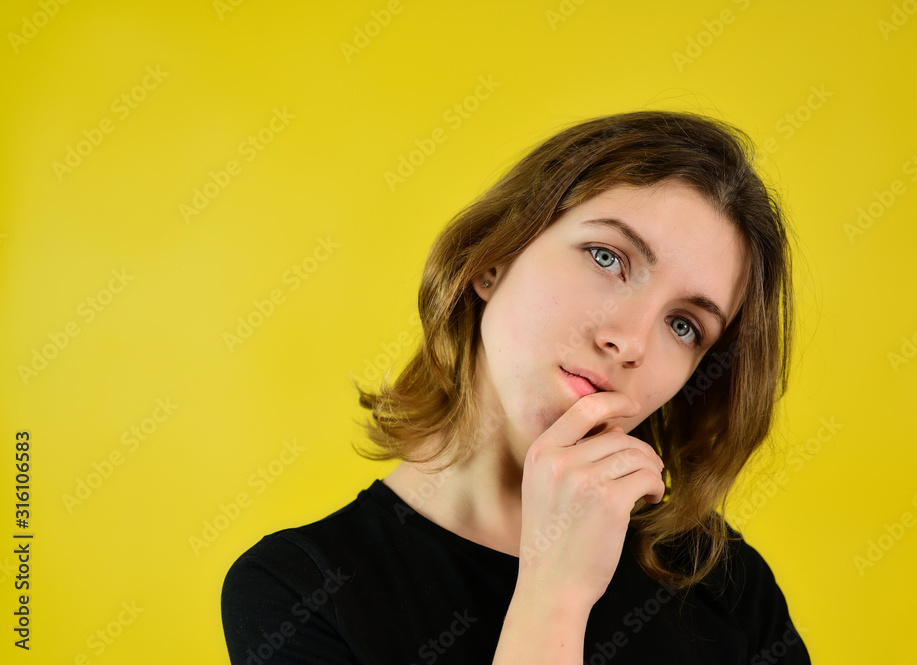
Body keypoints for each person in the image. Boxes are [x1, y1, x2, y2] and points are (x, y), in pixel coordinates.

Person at [221, 110, 810, 664]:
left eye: (684, 325)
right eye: (607, 257)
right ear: (491, 259)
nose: (630, 341)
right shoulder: (299, 592)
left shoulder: (720, 582)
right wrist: (554, 597)